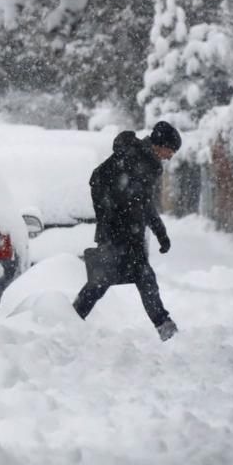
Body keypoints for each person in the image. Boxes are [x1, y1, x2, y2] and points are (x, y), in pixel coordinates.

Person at [74, 121, 182, 341]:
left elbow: (145, 203)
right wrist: (113, 216)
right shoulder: (135, 157)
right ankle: (70, 319)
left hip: (130, 235)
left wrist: (160, 232)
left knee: (134, 279)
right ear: (160, 144)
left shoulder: (147, 162)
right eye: (170, 150)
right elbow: (97, 179)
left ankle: (165, 326)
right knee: (103, 282)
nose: (170, 156)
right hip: (117, 235)